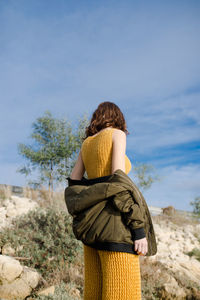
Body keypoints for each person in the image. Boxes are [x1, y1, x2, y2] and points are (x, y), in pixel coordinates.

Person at [69, 101, 148, 300]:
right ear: (118, 118)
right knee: (123, 293)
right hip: (116, 228)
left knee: (94, 294)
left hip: (91, 229)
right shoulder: (117, 134)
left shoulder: (86, 143)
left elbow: (74, 182)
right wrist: (139, 231)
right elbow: (118, 182)